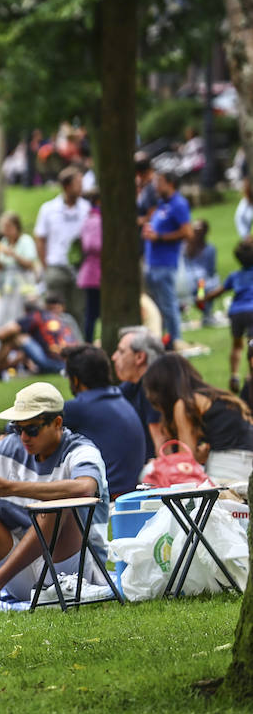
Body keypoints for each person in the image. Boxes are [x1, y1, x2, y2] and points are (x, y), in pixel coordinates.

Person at [0, 382, 109, 603]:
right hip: (20, 575)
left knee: (58, 501)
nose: (24, 437)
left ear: (57, 423)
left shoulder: (81, 450)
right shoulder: (5, 449)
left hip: (73, 572)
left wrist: (9, 488)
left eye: (32, 429)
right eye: (17, 428)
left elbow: (84, 489)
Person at [143, 353, 253, 486]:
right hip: (244, 465)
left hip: (229, 467)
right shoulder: (213, 396)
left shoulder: (184, 404)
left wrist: (159, 458)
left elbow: (186, 461)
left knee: (149, 471)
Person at [61, 346, 144, 499]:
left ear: (76, 379)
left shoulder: (79, 408)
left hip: (106, 496)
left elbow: (27, 424)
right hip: (130, 491)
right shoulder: (119, 398)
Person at [33, 166, 91, 327]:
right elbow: (40, 238)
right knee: (54, 311)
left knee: (78, 309)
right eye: (78, 183)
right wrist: (45, 266)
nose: (81, 188)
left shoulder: (86, 209)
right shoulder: (48, 209)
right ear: (66, 186)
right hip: (56, 267)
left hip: (79, 268)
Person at [0, 294, 79, 379]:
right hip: (73, 361)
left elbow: (1, 334)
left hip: (55, 362)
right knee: (23, 344)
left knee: (15, 339)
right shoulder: (57, 318)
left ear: (24, 310)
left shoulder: (34, 316)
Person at [143, 170, 192, 347]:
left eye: (160, 182)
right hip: (153, 262)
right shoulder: (162, 204)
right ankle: (162, 340)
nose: (156, 185)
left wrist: (160, 237)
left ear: (170, 183)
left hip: (165, 263)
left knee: (168, 305)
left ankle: (175, 340)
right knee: (158, 307)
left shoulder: (179, 204)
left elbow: (188, 232)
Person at [111, 325, 167, 460]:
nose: (114, 357)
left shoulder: (154, 387)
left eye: (121, 351)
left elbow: (163, 447)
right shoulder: (132, 385)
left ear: (140, 357)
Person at [0, 211, 41, 331]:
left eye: (8, 227)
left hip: (23, 287)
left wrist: (12, 254)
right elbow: (1, 268)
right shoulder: (4, 242)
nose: (6, 231)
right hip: (6, 287)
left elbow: (30, 264)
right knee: (0, 317)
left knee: (19, 316)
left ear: (16, 227)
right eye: (4, 228)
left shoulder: (25, 241)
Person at [212, 237, 253, 393]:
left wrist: (203, 298)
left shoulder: (235, 275)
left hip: (236, 312)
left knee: (237, 346)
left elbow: (219, 291)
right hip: (252, 310)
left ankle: (234, 375)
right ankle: (251, 376)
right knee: (252, 346)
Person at [76, 193, 103, 342]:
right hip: (95, 274)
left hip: (91, 273)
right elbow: (93, 245)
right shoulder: (96, 221)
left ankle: (89, 341)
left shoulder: (88, 219)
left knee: (91, 312)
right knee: (92, 312)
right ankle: (88, 341)